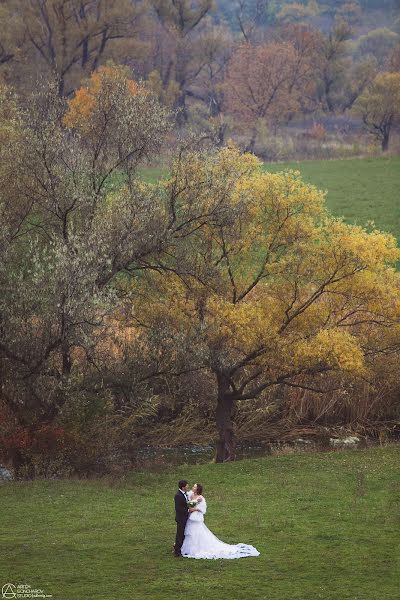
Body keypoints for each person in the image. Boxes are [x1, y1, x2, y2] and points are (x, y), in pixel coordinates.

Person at [181, 483, 260, 560]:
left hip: (196, 518)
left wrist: (194, 509)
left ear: (198, 489)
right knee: (189, 532)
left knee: (196, 532)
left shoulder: (200, 498)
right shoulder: (190, 494)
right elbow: (186, 500)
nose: (193, 488)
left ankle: (196, 548)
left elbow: (202, 509)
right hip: (190, 518)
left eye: (194, 487)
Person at [173, 479, 190, 557]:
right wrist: (188, 510)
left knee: (182, 534)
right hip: (181, 518)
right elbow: (179, 508)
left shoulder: (184, 494)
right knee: (180, 534)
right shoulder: (178, 496)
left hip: (184, 518)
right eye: (187, 485)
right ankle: (177, 551)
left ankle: (179, 548)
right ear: (183, 487)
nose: (188, 486)